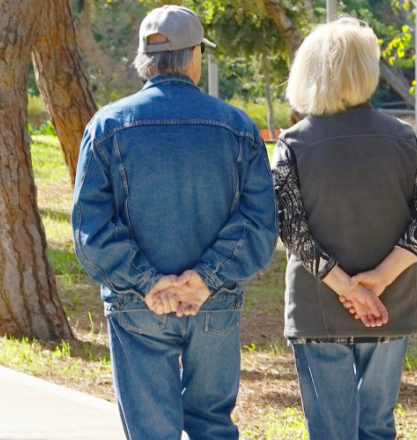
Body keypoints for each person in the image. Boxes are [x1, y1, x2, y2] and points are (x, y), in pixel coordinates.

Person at [71, 5, 277, 439]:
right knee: (213, 427)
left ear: (145, 59)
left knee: (151, 432)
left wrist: (147, 282)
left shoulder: (107, 125)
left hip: (136, 303)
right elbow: (259, 224)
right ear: (195, 55)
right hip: (214, 302)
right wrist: (204, 280)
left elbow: (90, 229)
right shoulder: (238, 126)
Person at [271, 16, 417, 439]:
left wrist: (347, 287)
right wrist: (378, 280)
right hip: (391, 304)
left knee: (329, 431)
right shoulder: (404, 138)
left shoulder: (292, 144)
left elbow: (289, 228)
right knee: (377, 427)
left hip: (319, 308)